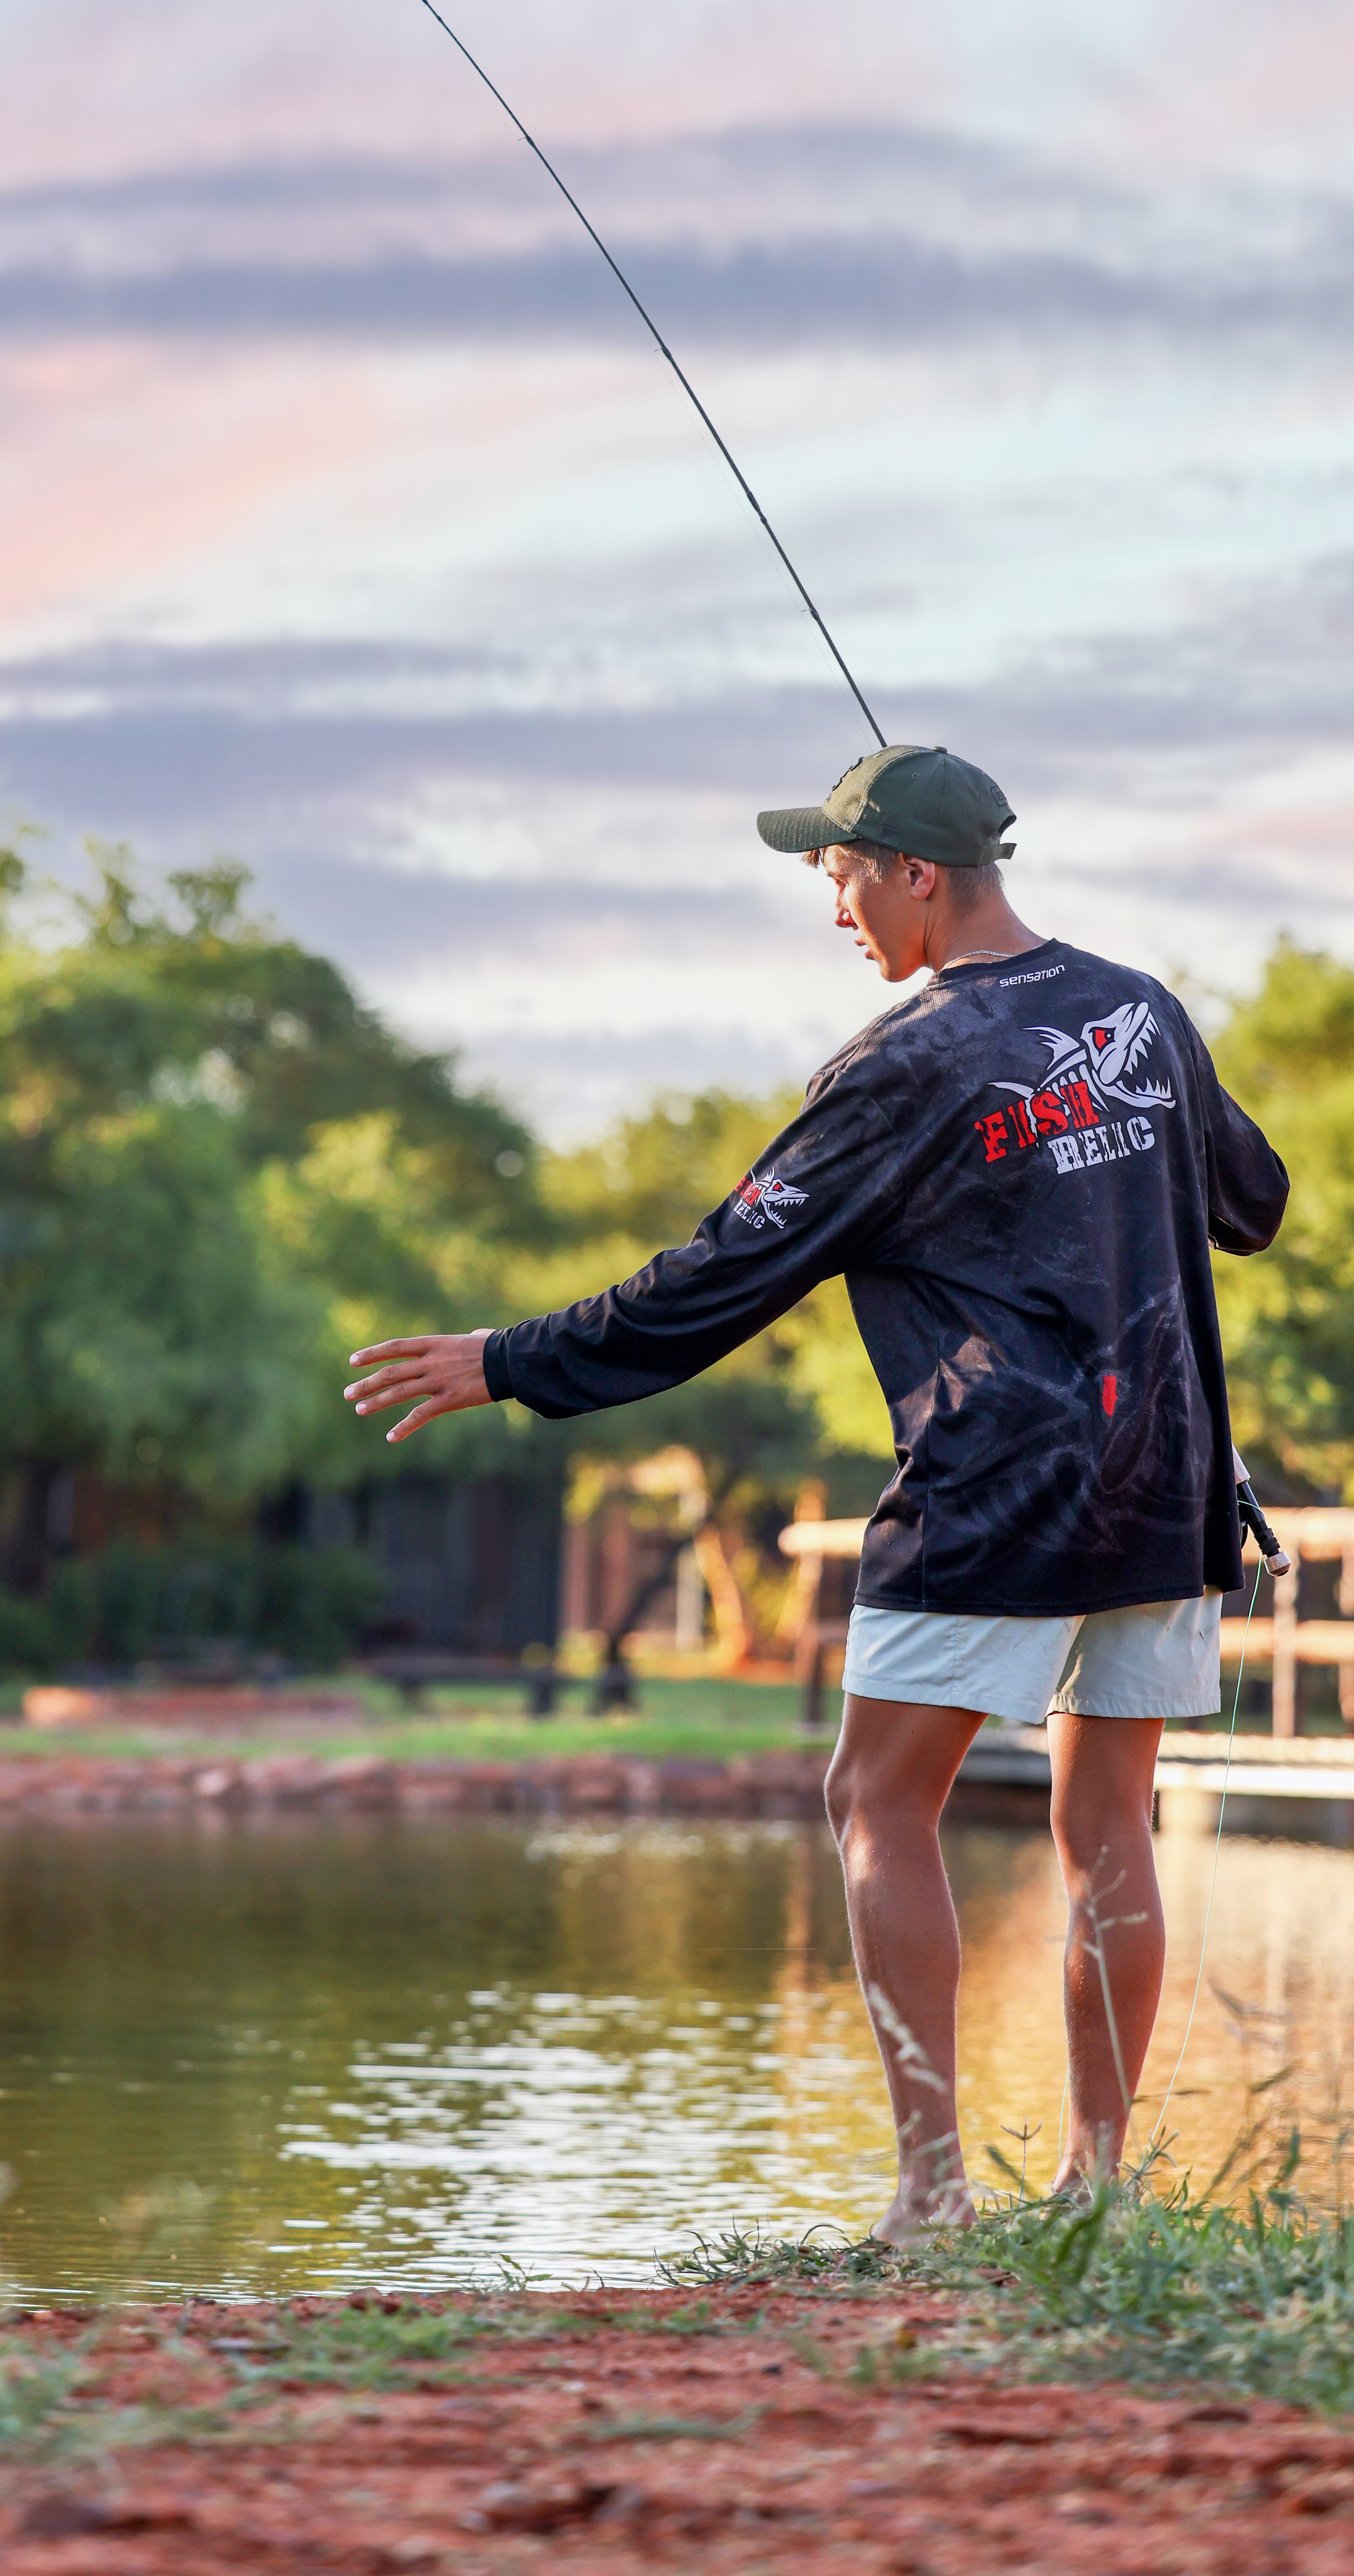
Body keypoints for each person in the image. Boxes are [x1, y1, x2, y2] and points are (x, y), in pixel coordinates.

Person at [343, 742, 1288, 2238]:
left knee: (873, 1797)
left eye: (842, 874)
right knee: (1106, 1823)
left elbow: (720, 1275)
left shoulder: (902, 1062)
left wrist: (509, 1359)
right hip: (1169, 1476)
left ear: (917, 872)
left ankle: (931, 2199)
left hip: (997, 1489)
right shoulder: (1145, 1012)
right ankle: (1098, 2191)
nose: (835, 908)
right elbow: (1255, 1202)